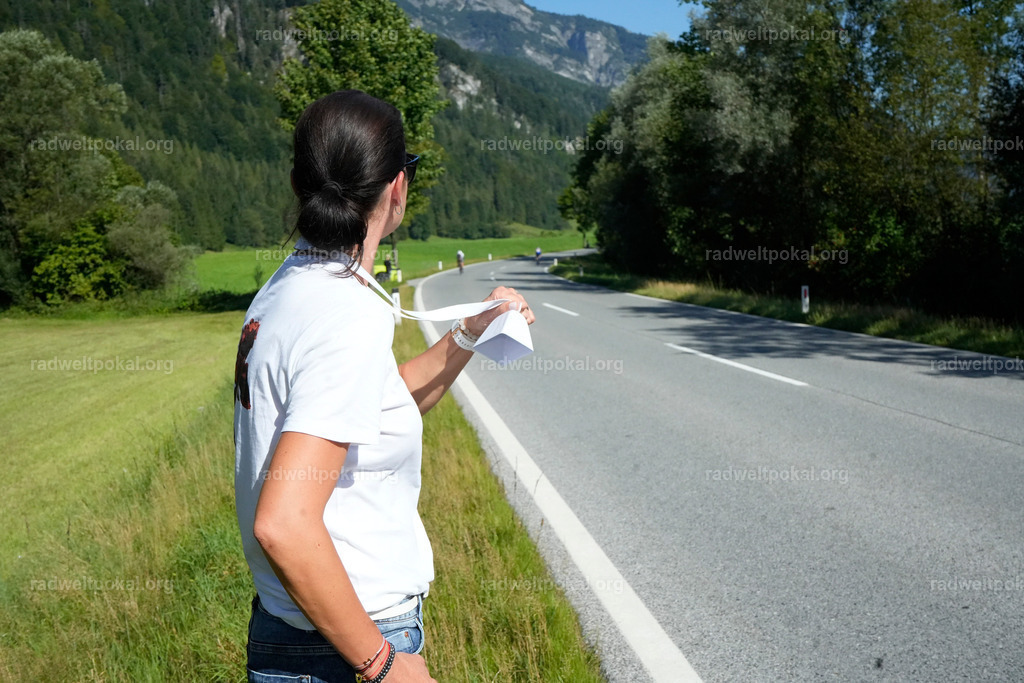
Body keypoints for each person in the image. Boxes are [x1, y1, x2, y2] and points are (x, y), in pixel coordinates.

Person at [233, 90, 535, 683]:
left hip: (290, 627)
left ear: (298, 183)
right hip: (346, 640)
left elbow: (363, 407)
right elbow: (284, 523)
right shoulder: (345, 312)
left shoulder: (291, 285)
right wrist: (383, 665)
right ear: (397, 187)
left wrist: (467, 335)